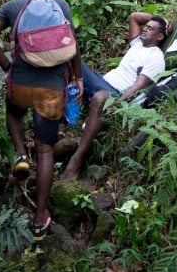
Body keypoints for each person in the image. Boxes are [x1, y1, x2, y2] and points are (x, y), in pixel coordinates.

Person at [0, 0, 83, 240]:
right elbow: (73, 44)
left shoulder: (13, 5)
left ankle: (19, 154)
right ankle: (40, 216)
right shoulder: (58, 2)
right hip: (51, 90)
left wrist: (7, 66)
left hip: (21, 86)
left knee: (13, 111)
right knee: (46, 151)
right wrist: (78, 77)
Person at [61, 12, 170, 181]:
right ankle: (67, 114)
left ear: (160, 35)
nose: (145, 29)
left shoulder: (156, 57)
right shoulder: (137, 44)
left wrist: (117, 103)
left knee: (100, 98)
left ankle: (76, 161)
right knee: (68, 57)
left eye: (150, 28)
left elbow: (138, 86)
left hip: (114, 93)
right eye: (146, 26)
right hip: (100, 81)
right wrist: (162, 19)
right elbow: (134, 17)